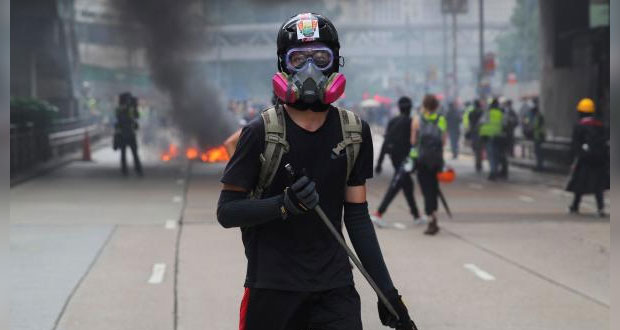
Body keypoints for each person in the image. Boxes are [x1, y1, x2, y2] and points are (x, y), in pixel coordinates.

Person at [216, 13, 416, 330]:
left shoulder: (354, 133)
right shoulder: (259, 133)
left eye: (321, 57)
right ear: (283, 65)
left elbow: (358, 218)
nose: (310, 69)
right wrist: (283, 205)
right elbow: (227, 211)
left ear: (336, 63)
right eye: (299, 58)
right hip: (272, 290)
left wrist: (388, 293)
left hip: (335, 292)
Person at [373, 96, 422, 225]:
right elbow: (415, 143)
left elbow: (385, 142)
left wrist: (379, 163)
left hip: (395, 159)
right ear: (410, 108)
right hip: (406, 161)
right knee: (395, 187)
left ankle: (416, 216)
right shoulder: (412, 123)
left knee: (407, 186)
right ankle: (378, 214)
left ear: (399, 108)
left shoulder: (392, 121)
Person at [409, 94, 447, 235]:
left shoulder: (417, 120)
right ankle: (433, 214)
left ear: (424, 105)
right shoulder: (441, 119)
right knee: (434, 187)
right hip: (436, 160)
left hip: (422, 160)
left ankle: (431, 216)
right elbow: (443, 141)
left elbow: (413, 141)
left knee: (426, 190)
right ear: (436, 106)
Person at [566, 98, 609, 217]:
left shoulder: (579, 126)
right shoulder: (601, 125)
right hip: (599, 160)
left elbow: (575, 145)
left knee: (580, 184)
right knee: (598, 186)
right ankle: (600, 208)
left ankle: (575, 206)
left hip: (584, 160)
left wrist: (572, 158)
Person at [115, 92, 143, 176]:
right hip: (128, 133)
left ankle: (127, 170)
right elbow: (135, 116)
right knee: (132, 153)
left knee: (129, 153)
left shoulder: (122, 108)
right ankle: (136, 170)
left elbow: (137, 116)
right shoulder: (121, 109)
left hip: (126, 133)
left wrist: (134, 107)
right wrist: (132, 107)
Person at [478, 97, 504, 180]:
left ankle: (493, 172)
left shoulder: (488, 113)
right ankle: (496, 170)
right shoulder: (500, 113)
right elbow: (505, 123)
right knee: (496, 155)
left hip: (488, 136)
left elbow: (481, 122)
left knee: (491, 155)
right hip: (498, 136)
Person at [463, 99, 484, 172]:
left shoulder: (471, 113)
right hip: (482, 133)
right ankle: (479, 163)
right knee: (479, 149)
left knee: (476, 149)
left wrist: (468, 132)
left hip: (475, 133)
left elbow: (470, 124)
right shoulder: (483, 112)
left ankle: (478, 163)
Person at [529, 98, 546, 171]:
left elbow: (535, 126)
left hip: (539, 137)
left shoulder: (538, 117)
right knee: (538, 152)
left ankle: (539, 166)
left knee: (538, 152)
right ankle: (539, 165)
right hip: (538, 136)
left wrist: (530, 128)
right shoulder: (539, 116)